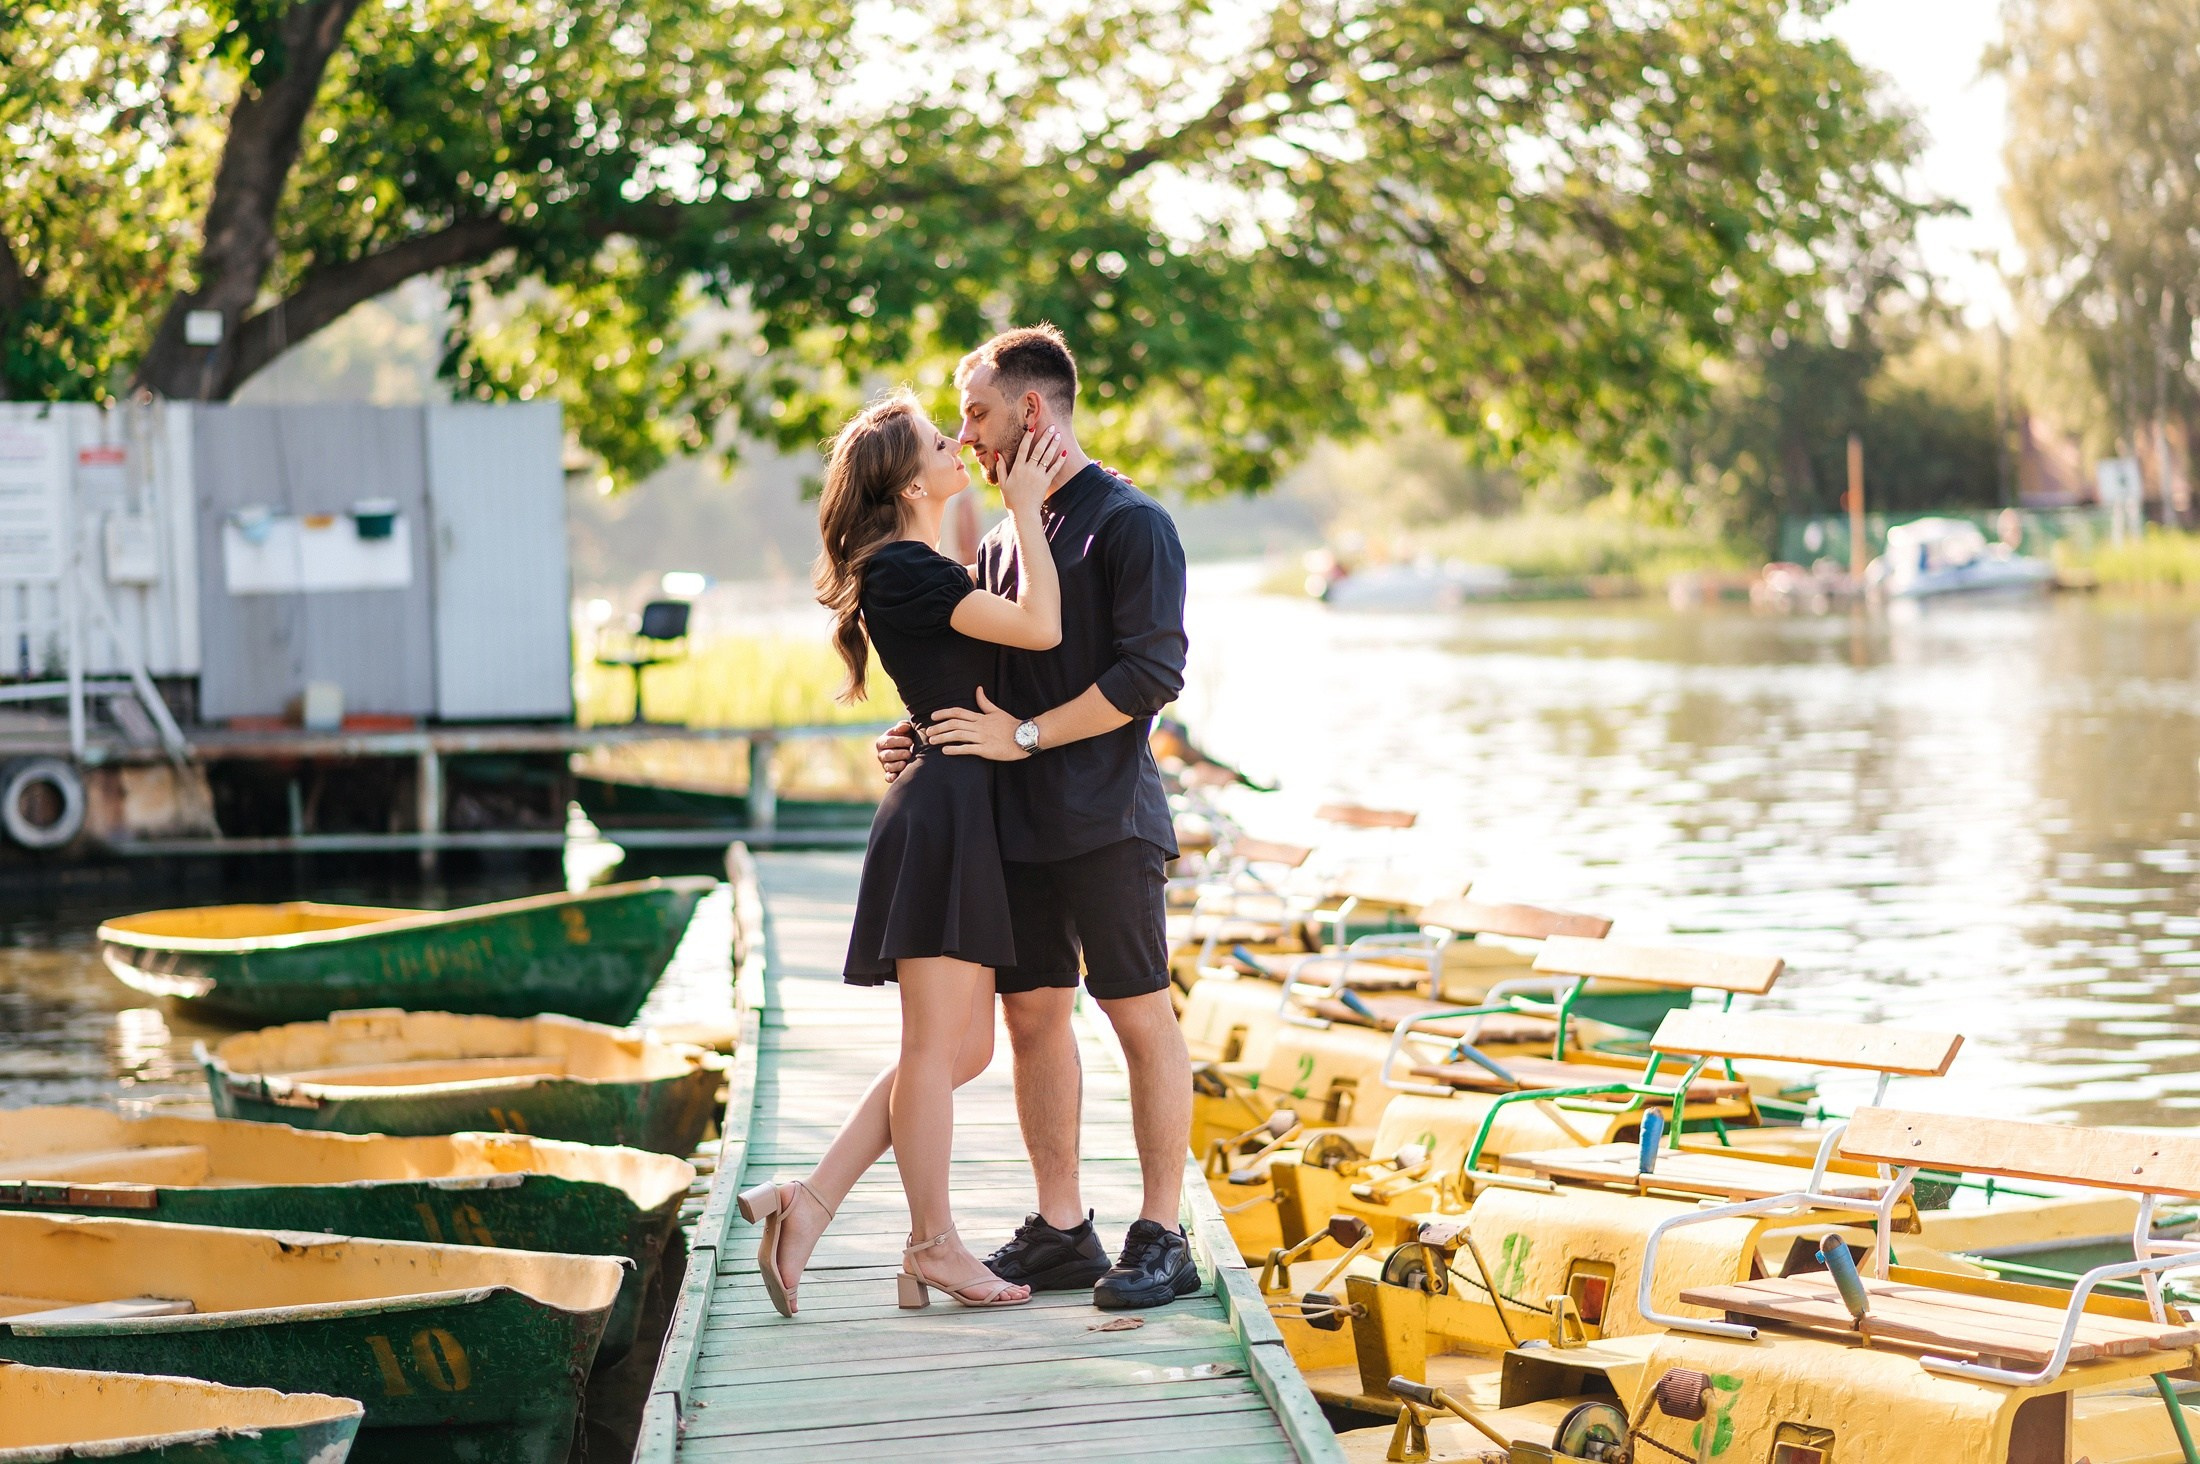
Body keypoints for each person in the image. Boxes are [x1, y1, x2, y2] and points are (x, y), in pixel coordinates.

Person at [881, 324, 1199, 1311]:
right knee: (1032, 1019)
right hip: (1014, 828)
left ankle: (1162, 1233)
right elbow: (992, 666)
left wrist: (1023, 739)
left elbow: (1151, 676)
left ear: (1030, 410)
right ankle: (1063, 1230)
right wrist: (919, 733)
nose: (962, 434)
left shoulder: (1129, 522)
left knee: (1138, 1015)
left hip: (1107, 819)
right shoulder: (1009, 537)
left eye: (973, 412)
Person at [739, 390, 1070, 1316]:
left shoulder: (922, 567)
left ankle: (808, 1201)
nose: (959, 442)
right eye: (939, 439)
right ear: (907, 479)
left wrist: (915, 721)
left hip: (960, 804)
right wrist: (1027, 514)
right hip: (945, 814)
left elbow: (954, 671)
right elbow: (1041, 628)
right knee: (933, 1048)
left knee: (959, 1051)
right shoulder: (907, 570)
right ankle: (932, 1244)